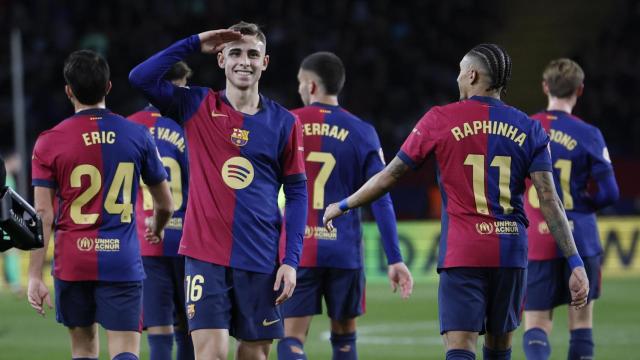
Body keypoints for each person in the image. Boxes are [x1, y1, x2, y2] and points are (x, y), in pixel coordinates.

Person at [323, 44, 590, 360]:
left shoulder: (440, 119)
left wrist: (344, 204)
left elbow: (389, 176)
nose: (458, 77)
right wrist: (575, 261)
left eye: (461, 70)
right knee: (499, 349)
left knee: (460, 348)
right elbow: (549, 199)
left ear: (473, 74)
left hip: (463, 252)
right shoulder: (529, 128)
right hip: (511, 253)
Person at [129, 22, 308, 360]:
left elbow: (298, 195)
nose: (245, 61)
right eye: (236, 53)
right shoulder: (196, 104)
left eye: (253, 54)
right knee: (211, 354)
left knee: (253, 355)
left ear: (265, 62)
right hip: (204, 256)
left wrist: (291, 261)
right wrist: (195, 42)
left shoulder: (285, 123)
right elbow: (141, 77)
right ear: (221, 58)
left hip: (260, 257)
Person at [28, 50, 174, 360]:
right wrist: (157, 228)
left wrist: (34, 276)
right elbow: (165, 203)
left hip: (72, 260)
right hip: (122, 259)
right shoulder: (137, 135)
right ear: (108, 87)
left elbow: (43, 214)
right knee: (125, 351)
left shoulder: (48, 141)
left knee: (83, 350)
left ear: (69, 91)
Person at [277, 51, 414, 360]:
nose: (300, 88)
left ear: (311, 86)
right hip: (344, 252)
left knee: (291, 339)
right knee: (344, 339)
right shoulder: (362, 131)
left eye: (301, 83)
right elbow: (381, 195)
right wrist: (394, 257)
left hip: (299, 250)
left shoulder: (288, 123)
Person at [522, 59, 619, 360]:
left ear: (544, 86)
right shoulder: (589, 133)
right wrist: (581, 207)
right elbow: (610, 193)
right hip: (581, 239)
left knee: (536, 324)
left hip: (537, 240)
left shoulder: (524, 128)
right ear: (580, 90)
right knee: (581, 324)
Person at [128, 61, 194, 360]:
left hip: (144, 239)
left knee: (158, 328)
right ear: (174, 86)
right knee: (190, 325)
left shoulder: (128, 126)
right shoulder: (191, 125)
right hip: (187, 239)